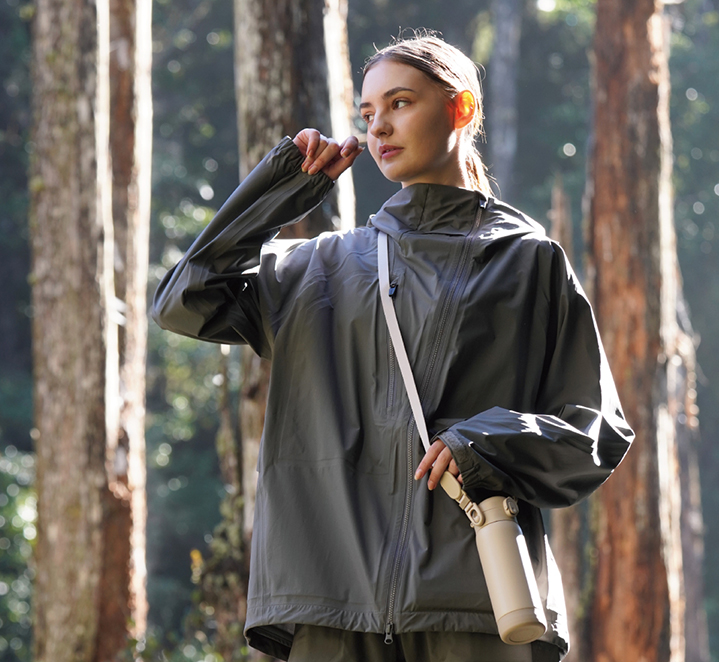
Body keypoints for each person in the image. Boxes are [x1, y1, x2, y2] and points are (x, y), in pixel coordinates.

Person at [153, 32, 634, 662]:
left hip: (476, 605)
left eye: (400, 103)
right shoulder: (318, 268)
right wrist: (280, 191)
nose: (379, 126)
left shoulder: (528, 262)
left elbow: (594, 429)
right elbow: (184, 299)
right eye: (368, 112)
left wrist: (485, 443)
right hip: (330, 604)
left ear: (461, 109)